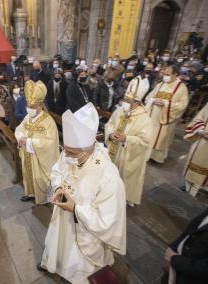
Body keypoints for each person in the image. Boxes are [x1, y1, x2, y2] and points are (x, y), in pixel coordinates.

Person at [39, 102, 126, 283]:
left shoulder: (108, 175)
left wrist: (75, 208)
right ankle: (57, 264)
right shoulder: (71, 153)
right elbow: (57, 170)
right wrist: (58, 187)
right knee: (60, 247)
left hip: (86, 232)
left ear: (89, 149)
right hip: (62, 219)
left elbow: (108, 218)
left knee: (79, 267)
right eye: (65, 150)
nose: (66, 155)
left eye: (71, 152)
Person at [105, 76, 153, 206]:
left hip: (129, 157)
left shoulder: (145, 119)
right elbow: (109, 124)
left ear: (136, 102)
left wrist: (127, 139)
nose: (123, 102)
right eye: (124, 99)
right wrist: (110, 134)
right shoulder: (121, 110)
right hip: (113, 152)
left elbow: (145, 142)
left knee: (124, 182)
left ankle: (124, 199)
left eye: (127, 100)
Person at [15, 80, 59, 204]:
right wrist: (20, 137)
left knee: (39, 177)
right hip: (28, 154)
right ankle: (31, 193)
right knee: (29, 174)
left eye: (32, 107)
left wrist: (29, 141)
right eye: (28, 107)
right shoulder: (28, 117)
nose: (29, 109)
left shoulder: (48, 121)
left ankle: (43, 197)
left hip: (40, 156)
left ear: (40, 105)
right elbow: (20, 128)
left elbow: (50, 142)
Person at [145, 65, 189, 163]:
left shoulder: (181, 87)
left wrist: (166, 104)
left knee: (161, 138)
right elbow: (149, 97)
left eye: (168, 74)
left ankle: (157, 158)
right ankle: (147, 155)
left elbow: (182, 105)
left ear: (175, 74)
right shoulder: (160, 84)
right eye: (164, 74)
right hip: (153, 116)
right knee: (150, 135)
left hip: (165, 118)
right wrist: (152, 100)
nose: (165, 76)